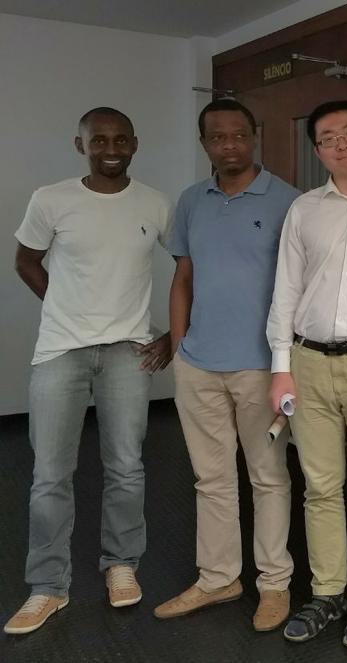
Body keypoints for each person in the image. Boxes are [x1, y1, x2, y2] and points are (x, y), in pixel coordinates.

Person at [5, 107, 172, 635]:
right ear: (81, 145)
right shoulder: (51, 199)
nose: (111, 147)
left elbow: (188, 263)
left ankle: (120, 565)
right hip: (61, 352)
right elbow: (25, 260)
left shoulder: (153, 203)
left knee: (126, 466)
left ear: (135, 143)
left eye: (121, 138)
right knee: (50, 475)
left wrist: (174, 333)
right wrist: (63, 308)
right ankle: (47, 588)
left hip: (129, 352)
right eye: (99, 139)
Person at [153, 99, 299, 631]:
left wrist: (287, 363)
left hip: (261, 368)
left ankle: (274, 584)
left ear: (254, 135)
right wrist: (178, 346)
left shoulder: (288, 200)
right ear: (204, 143)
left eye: (239, 135)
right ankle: (217, 579)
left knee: (268, 477)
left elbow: (298, 287)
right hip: (198, 365)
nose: (229, 145)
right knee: (210, 479)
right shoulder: (192, 201)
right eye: (218, 137)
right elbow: (183, 280)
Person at [266, 100, 347, 648]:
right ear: (317, 149)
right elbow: (285, 292)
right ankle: (328, 592)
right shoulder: (303, 210)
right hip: (308, 363)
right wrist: (281, 368)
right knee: (320, 487)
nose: (342, 143)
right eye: (329, 137)